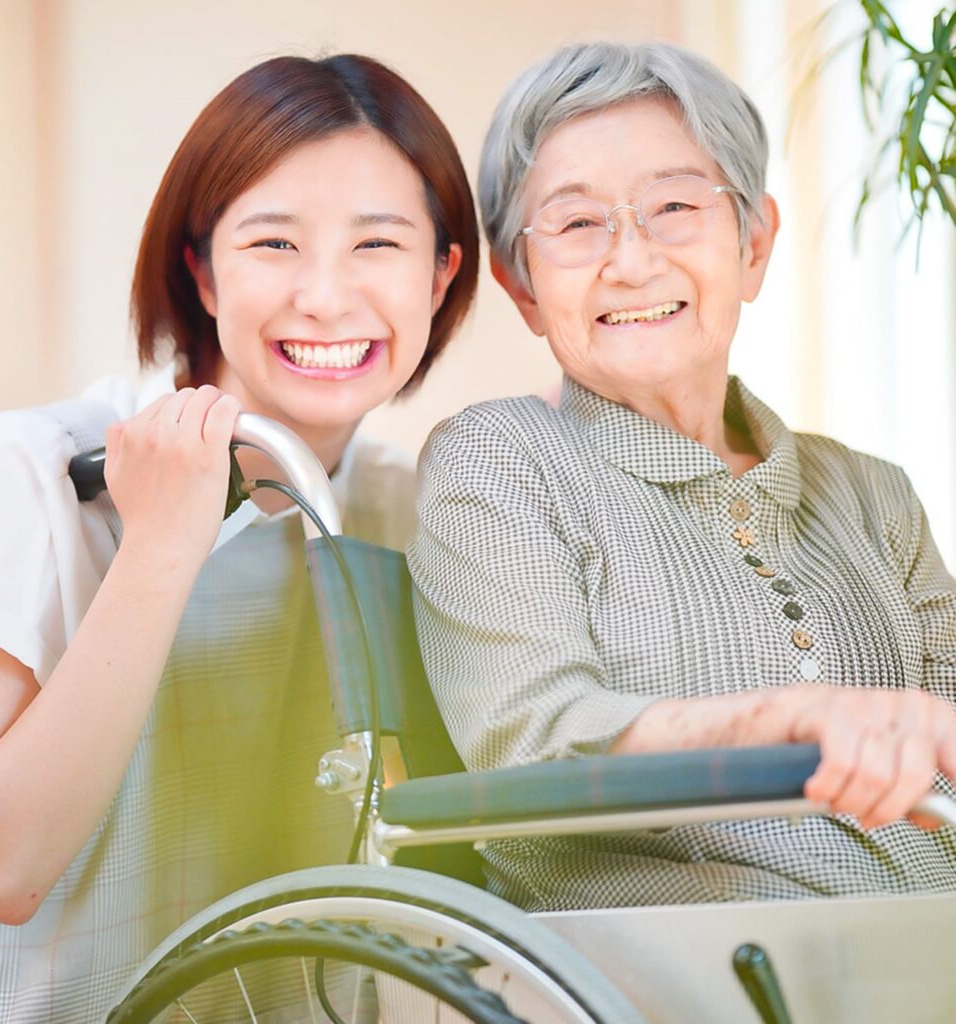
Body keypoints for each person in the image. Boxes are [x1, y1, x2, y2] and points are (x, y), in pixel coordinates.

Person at [0, 53, 477, 1021]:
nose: (324, 296)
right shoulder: (25, 471)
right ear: (203, 270)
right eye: (273, 244)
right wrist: (159, 548)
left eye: (377, 246)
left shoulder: (418, 511)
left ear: (441, 275)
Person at [408, 40, 956, 912]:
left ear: (754, 244)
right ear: (521, 283)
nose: (631, 260)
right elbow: (538, 742)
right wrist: (795, 717)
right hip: (692, 972)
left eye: (674, 206)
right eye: (578, 223)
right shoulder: (500, 460)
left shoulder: (871, 493)